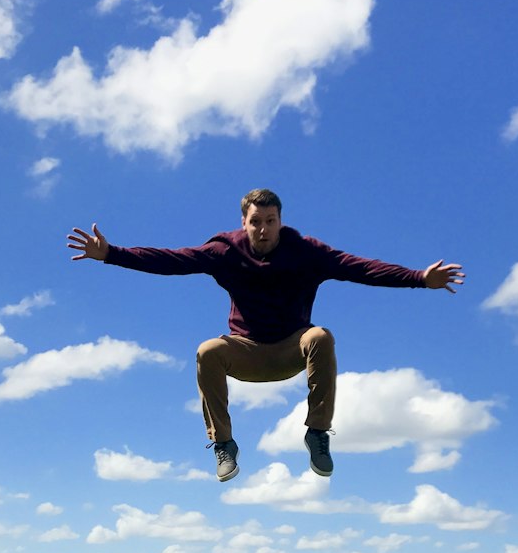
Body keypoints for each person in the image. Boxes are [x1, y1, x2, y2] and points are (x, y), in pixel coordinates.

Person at [67, 188, 464, 482]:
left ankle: (317, 434)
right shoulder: (224, 252)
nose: (263, 229)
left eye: (270, 221)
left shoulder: (305, 252)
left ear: (281, 221)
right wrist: (112, 254)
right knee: (208, 350)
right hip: (247, 351)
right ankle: (224, 444)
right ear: (244, 222)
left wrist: (417, 279)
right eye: (255, 222)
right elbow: (172, 260)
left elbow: (358, 267)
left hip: (293, 348)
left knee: (320, 336)